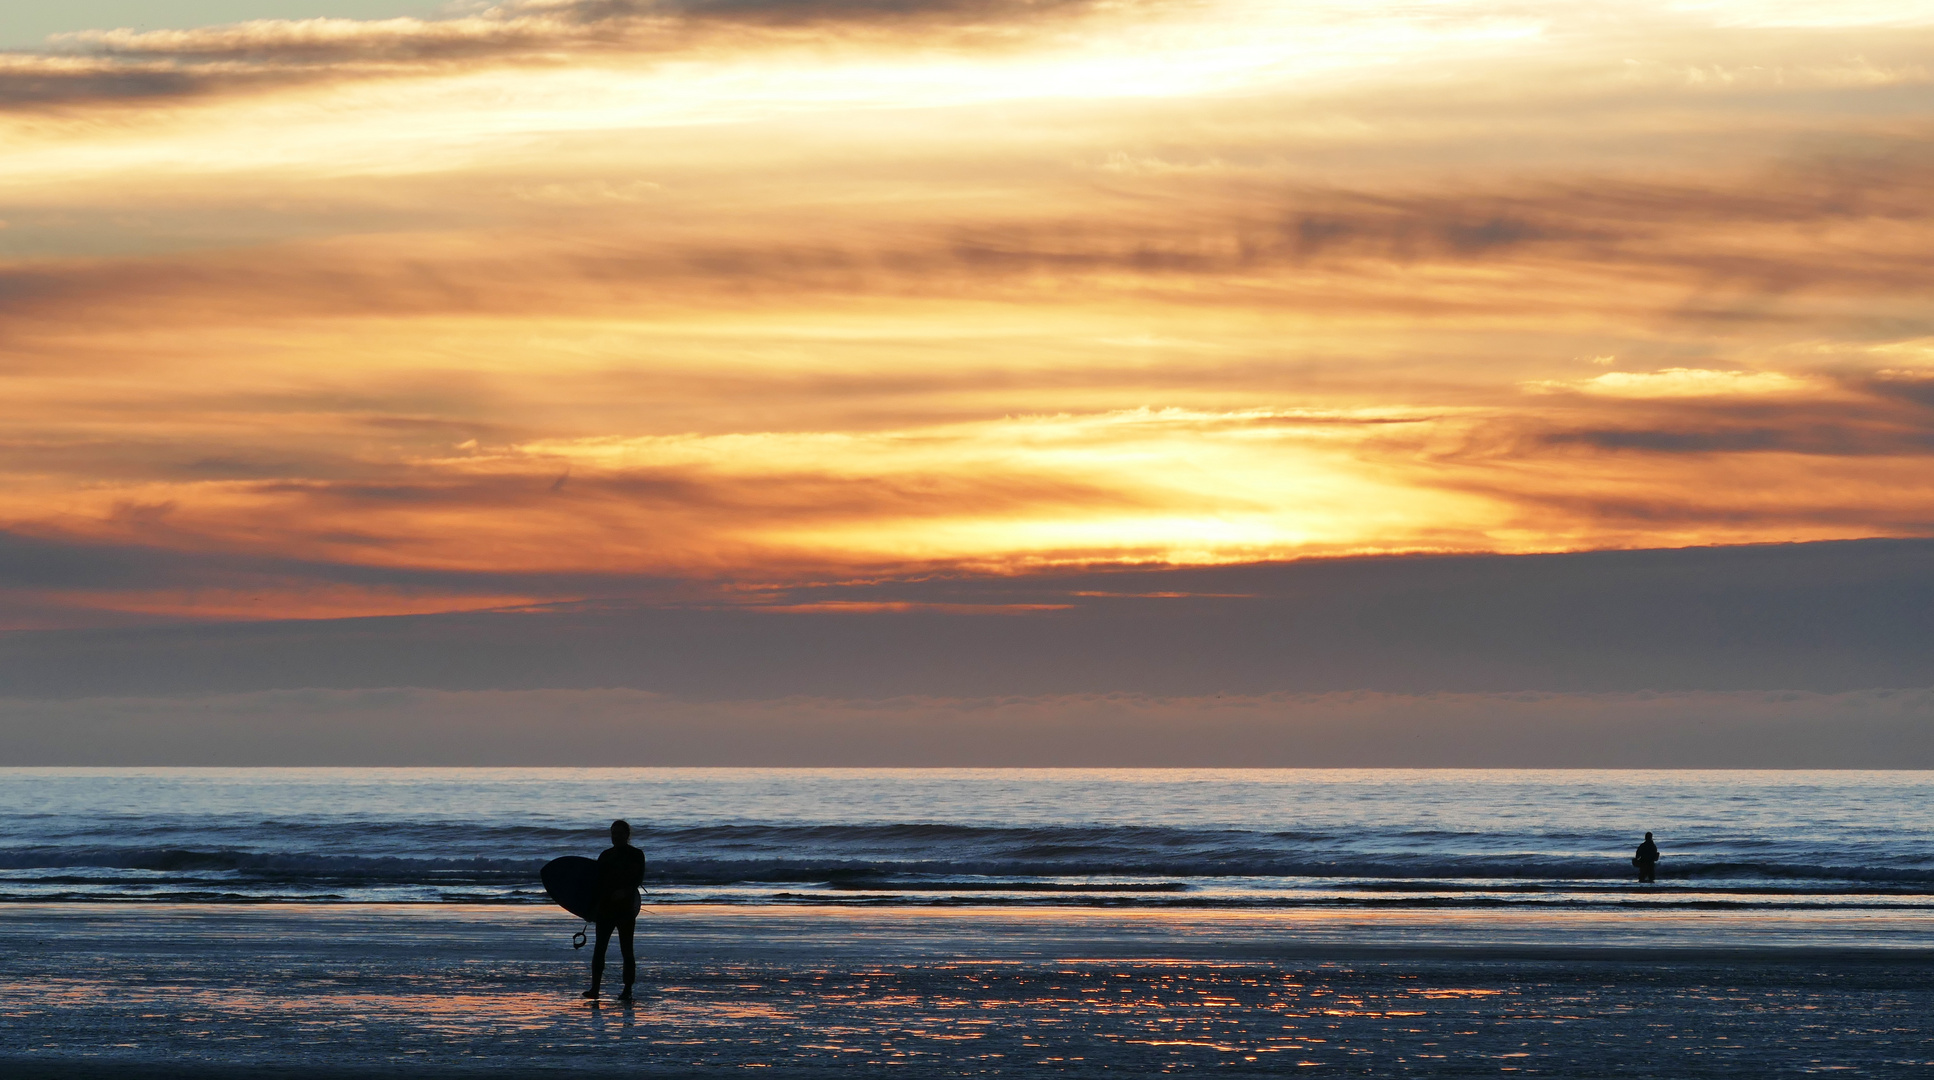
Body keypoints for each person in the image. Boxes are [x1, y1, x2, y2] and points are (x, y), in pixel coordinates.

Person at [584, 818, 645, 1003]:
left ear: (627, 835)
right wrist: (589, 909)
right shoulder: (605, 855)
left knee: (627, 950)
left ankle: (627, 990)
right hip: (605, 909)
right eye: (613, 833)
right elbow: (596, 884)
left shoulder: (636, 855)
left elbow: (637, 879)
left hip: (625, 909)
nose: (616, 837)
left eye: (619, 833)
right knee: (599, 949)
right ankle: (595, 988)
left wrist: (624, 892)